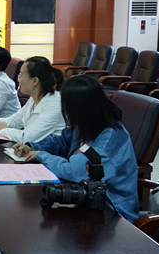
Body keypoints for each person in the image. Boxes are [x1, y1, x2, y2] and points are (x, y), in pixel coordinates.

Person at [12, 74, 139, 222]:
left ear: (82, 108)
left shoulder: (110, 138)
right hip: (84, 198)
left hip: (113, 212)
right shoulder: (87, 122)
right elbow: (61, 142)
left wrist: (41, 155)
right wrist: (32, 146)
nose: (66, 113)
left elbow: (75, 172)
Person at [0, 56, 65, 143]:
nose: (18, 80)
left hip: (49, 151)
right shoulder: (34, 99)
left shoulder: (54, 105)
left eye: (21, 75)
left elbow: (27, 137)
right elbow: (14, 121)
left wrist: (3, 130)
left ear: (35, 81)